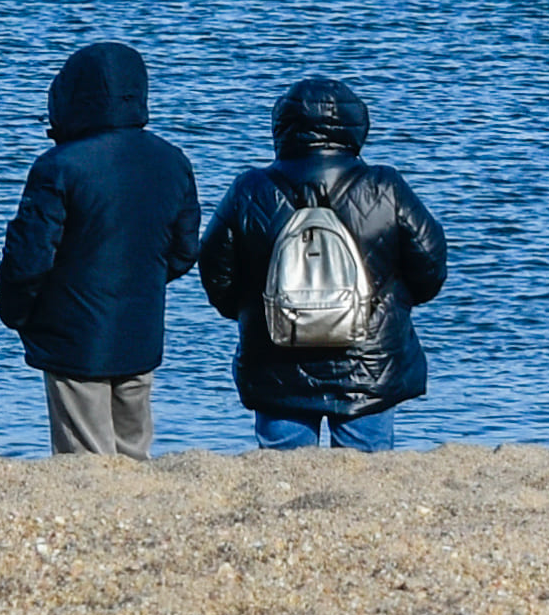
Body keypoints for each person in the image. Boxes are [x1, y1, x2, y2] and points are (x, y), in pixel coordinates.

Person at [192, 74, 448, 450]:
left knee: (284, 473)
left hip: (276, 358)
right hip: (368, 359)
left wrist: (251, 310)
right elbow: (430, 266)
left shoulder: (249, 189)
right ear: (355, 127)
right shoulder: (384, 187)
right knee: (366, 472)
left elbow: (216, 271)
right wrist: (387, 304)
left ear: (282, 127)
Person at [0, 38, 198, 454]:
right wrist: (142, 281)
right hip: (139, 329)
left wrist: (17, 314)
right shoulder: (172, 160)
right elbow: (184, 250)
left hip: (73, 336)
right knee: (133, 450)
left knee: (84, 458)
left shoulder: (59, 165)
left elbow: (28, 258)